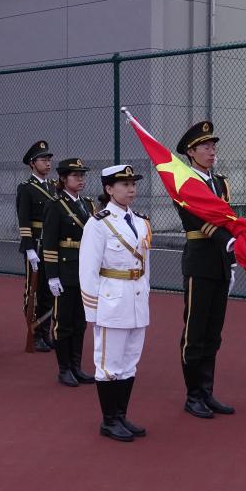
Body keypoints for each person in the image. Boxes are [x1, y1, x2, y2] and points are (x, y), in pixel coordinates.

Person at [79, 165, 151, 443]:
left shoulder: (141, 221)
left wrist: (145, 295)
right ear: (109, 189)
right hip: (111, 302)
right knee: (109, 364)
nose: (131, 189)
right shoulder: (98, 224)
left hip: (136, 300)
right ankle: (109, 420)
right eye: (125, 184)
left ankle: (121, 415)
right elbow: (88, 270)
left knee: (130, 362)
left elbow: (145, 266)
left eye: (133, 184)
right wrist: (92, 311)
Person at [175, 120, 237, 419]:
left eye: (213, 146)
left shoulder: (220, 182)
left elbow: (228, 218)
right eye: (205, 147)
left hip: (221, 263)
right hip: (200, 262)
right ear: (191, 152)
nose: (212, 151)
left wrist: (232, 261)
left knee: (214, 332)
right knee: (195, 332)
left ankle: (207, 391)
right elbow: (196, 221)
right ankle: (193, 395)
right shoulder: (182, 182)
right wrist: (228, 242)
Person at [42, 158, 97, 387]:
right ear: (64, 179)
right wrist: (52, 275)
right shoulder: (55, 205)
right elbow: (49, 243)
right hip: (65, 270)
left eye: (82, 175)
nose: (80, 179)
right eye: (75, 176)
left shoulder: (88, 204)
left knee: (80, 322)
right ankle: (64, 369)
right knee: (63, 322)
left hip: (84, 271)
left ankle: (76, 366)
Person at [16, 140, 57, 352]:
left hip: (52, 245)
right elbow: (23, 220)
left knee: (50, 292)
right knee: (34, 290)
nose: (48, 163)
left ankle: (45, 332)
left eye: (49, 159)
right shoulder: (26, 188)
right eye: (43, 160)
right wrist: (29, 248)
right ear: (32, 163)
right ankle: (34, 332)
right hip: (37, 245)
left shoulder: (53, 187)